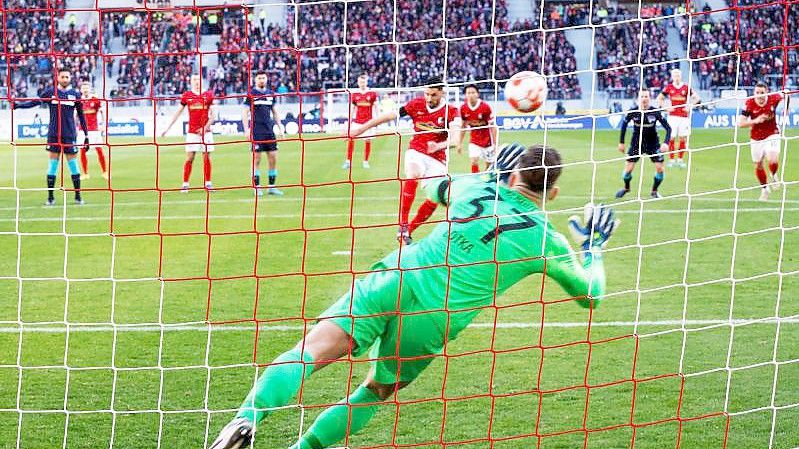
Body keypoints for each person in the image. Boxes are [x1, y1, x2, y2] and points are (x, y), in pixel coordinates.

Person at [209, 144, 618, 449]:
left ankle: (247, 419)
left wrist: (490, 173)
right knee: (376, 389)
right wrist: (594, 247)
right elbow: (592, 295)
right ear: (554, 193)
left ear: (514, 175)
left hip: (399, 277)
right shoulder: (547, 239)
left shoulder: (473, 187)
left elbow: (422, 172)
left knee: (311, 351)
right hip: (436, 315)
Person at [350, 77, 460, 244]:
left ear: (442, 93)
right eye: (427, 94)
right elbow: (389, 116)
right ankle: (403, 223)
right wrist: (363, 128)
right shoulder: (416, 104)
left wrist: (438, 146)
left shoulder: (451, 111)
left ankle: (409, 230)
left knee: (435, 198)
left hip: (438, 158)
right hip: (416, 151)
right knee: (413, 173)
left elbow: (455, 140)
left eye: (434, 95)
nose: (429, 98)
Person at [14, 68, 89, 205]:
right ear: (58, 77)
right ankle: (50, 198)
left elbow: (81, 115)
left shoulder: (75, 94)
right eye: (63, 77)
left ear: (70, 78)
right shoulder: (50, 92)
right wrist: (19, 105)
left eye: (67, 77)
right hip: (54, 135)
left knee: (73, 165)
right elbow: (35, 102)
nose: (65, 79)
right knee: (53, 165)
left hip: (69, 135)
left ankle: (78, 197)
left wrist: (86, 135)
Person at [161, 73, 216, 192]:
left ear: (202, 81)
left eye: (198, 79)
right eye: (194, 79)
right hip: (192, 133)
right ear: (191, 82)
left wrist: (205, 128)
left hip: (206, 133)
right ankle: (185, 184)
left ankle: (208, 183)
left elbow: (214, 116)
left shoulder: (208, 95)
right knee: (190, 157)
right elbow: (177, 113)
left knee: (206, 157)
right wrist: (167, 128)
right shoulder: (187, 96)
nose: (196, 82)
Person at [616, 89, 671, 199]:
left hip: (653, 143)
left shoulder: (655, 112)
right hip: (637, 143)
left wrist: (665, 143)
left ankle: (654, 191)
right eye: (642, 97)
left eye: (646, 96)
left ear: (649, 98)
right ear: (638, 98)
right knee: (628, 169)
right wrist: (621, 143)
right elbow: (624, 126)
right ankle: (626, 188)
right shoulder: (633, 111)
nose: (644, 99)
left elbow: (668, 128)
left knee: (660, 169)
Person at [738, 81, 786, 201]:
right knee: (759, 165)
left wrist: (787, 108)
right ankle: (764, 189)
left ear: (767, 92)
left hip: (772, 133)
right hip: (756, 137)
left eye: (762, 93)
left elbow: (786, 94)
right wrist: (755, 121)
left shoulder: (773, 98)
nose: (759, 95)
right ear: (754, 93)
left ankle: (774, 175)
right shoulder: (749, 103)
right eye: (757, 92)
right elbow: (741, 123)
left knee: (773, 159)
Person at [243, 70, 285, 197]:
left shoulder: (271, 94)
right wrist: (246, 129)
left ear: (266, 79)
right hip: (257, 131)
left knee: (273, 157)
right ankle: (257, 187)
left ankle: (271, 187)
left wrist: (280, 127)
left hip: (269, 131)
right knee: (257, 159)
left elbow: (275, 112)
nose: (262, 80)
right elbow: (245, 112)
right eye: (259, 78)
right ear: (255, 80)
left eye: (263, 78)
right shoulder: (251, 94)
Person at [657, 68, 700, 168]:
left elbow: (697, 98)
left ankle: (680, 160)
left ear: (680, 76)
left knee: (682, 138)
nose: (676, 77)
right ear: (672, 77)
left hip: (684, 117)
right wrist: (666, 107)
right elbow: (659, 98)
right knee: (671, 138)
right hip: (672, 117)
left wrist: (690, 106)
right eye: (675, 75)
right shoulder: (669, 87)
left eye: (678, 75)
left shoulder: (686, 87)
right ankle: (671, 160)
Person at [457, 84, 497, 173]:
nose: (470, 95)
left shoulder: (485, 107)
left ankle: (487, 181)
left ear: (477, 94)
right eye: (468, 93)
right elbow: (463, 126)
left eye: (473, 92)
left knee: (489, 165)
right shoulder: (463, 108)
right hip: (474, 140)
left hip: (487, 141)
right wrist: (459, 143)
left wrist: (495, 143)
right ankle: (476, 179)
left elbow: (493, 127)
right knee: (473, 161)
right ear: (465, 95)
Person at [342, 74, 378, 169]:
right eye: (360, 82)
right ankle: (348, 161)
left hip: (368, 122)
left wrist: (377, 121)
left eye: (364, 82)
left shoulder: (372, 94)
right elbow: (352, 109)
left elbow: (376, 107)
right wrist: (349, 122)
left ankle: (365, 161)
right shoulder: (355, 95)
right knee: (351, 139)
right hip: (357, 122)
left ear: (366, 82)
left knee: (367, 140)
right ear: (358, 83)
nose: (362, 83)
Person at [77, 81, 108, 181]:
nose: (85, 90)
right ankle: (85, 173)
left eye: (87, 88)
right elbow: (74, 115)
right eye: (84, 88)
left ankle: (105, 172)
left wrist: (103, 125)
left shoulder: (95, 100)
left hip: (94, 130)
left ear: (90, 89)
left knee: (99, 150)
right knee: (82, 151)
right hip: (82, 130)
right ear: (81, 90)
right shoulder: (78, 100)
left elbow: (102, 111)